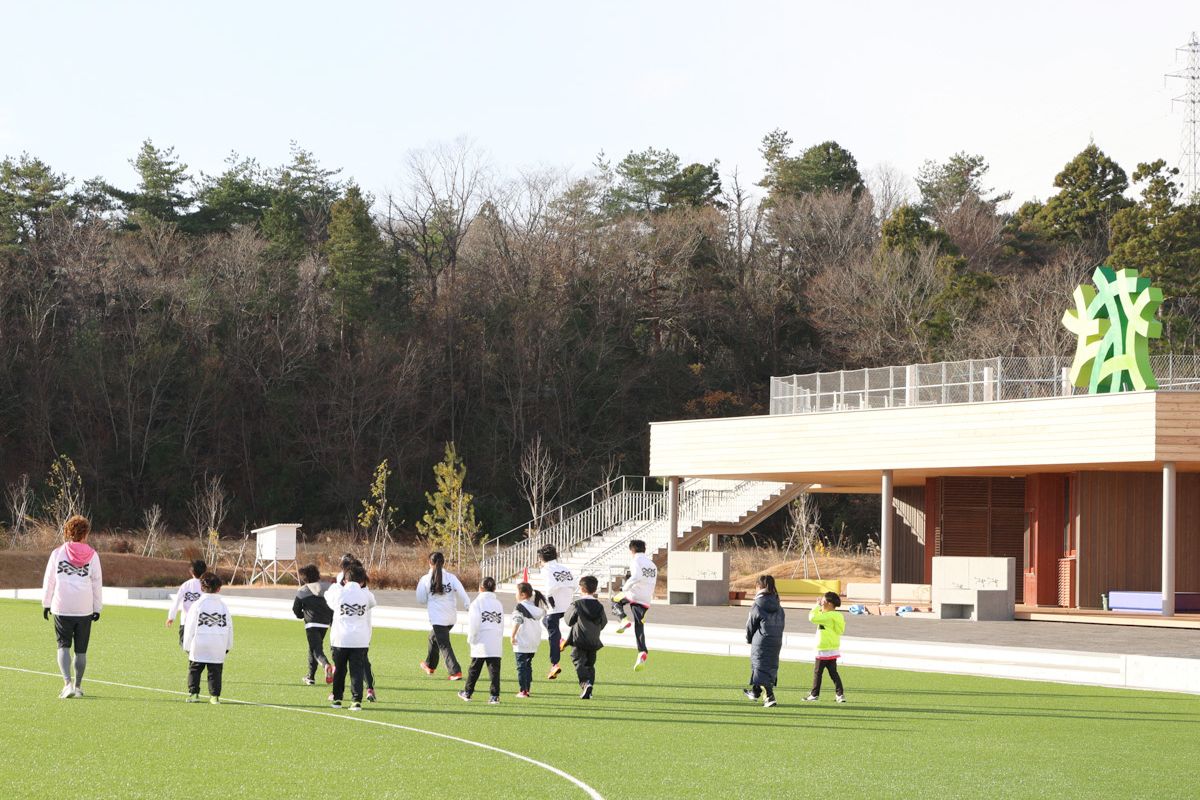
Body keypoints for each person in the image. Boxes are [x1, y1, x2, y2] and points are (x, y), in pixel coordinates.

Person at [41, 514, 103, 699]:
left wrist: (46, 603)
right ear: (86, 533)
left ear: (68, 532)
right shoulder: (93, 556)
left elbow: (49, 580)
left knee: (63, 646)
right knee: (81, 650)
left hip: (62, 606)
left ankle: (67, 684)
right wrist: (97, 607)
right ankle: (78, 686)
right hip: (84, 608)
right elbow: (96, 583)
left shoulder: (57, 553)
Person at [325, 562, 376, 711]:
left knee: (340, 670)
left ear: (345, 580)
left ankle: (337, 699)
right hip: (359, 640)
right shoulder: (366, 594)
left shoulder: (338, 592)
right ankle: (356, 701)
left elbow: (328, 597)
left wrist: (338, 585)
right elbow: (372, 603)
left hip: (340, 638)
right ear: (362, 581)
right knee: (357, 671)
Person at [415, 551, 471, 681]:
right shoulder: (451, 577)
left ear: (430, 563)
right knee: (433, 638)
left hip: (438, 618)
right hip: (451, 617)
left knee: (444, 644)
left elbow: (421, 600)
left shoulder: (425, 579)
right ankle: (430, 665)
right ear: (444, 562)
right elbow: (462, 593)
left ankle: (455, 671)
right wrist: (468, 606)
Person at [183, 571, 233, 704]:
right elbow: (229, 627)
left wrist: (187, 645)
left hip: (200, 643)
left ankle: (194, 694)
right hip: (218, 644)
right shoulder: (223, 606)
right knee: (215, 671)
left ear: (201, 587)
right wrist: (228, 645)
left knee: (195, 669)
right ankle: (214, 696)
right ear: (219, 588)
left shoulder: (197, 605)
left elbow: (190, 626)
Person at [611, 539, 656, 671]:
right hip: (646, 598)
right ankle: (642, 651)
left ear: (632, 550)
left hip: (634, 594)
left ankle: (623, 620)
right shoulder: (652, 564)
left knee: (615, 600)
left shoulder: (635, 561)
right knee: (639, 624)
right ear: (644, 549)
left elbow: (636, 576)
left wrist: (624, 587)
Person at [458, 577, 504, 704]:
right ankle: (494, 696)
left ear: (480, 588)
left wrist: (471, 638)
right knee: (494, 671)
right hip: (494, 640)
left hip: (480, 640)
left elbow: (474, 623)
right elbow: (501, 623)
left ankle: (468, 692)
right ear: (494, 588)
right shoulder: (498, 604)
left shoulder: (476, 603)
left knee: (474, 669)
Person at [744, 575, 785, 708]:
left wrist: (749, 638)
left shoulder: (757, 604)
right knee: (767, 666)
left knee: (760, 666)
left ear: (758, 587)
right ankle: (755, 692)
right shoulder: (778, 605)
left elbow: (751, 624)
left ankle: (769, 696)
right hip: (776, 639)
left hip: (761, 639)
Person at [565, 575, 607, 699]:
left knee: (578, 662)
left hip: (579, 639)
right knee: (590, 664)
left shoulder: (577, 604)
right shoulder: (599, 606)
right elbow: (603, 622)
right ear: (595, 589)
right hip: (594, 640)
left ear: (582, 588)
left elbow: (568, 620)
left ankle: (585, 684)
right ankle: (589, 690)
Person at [538, 544, 575, 680]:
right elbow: (574, 584)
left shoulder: (546, 569)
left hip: (554, 605)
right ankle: (561, 640)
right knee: (545, 621)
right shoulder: (564, 568)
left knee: (552, 633)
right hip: (568, 605)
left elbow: (549, 587)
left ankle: (555, 664)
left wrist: (550, 600)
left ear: (542, 558)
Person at [292, 564, 334, 686]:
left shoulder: (303, 590)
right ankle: (311, 677)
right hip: (325, 623)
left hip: (311, 624)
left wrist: (301, 615)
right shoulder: (328, 588)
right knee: (313, 648)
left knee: (316, 650)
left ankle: (326, 665)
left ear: (305, 578)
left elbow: (295, 609)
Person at [804, 591, 846, 703]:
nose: (822, 602)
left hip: (823, 649)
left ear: (828, 603)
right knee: (833, 673)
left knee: (818, 673)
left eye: (823, 601)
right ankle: (840, 694)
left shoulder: (827, 616)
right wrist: (821, 608)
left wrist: (817, 606)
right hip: (833, 649)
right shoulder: (838, 616)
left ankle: (814, 694)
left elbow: (812, 617)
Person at [510, 581, 547, 698]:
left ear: (523, 594)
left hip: (522, 641)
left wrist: (512, 636)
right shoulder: (535, 607)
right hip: (533, 641)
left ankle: (523, 690)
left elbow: (517, 621)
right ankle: (527, 689)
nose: (515, 595)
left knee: (521, 666)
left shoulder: (520, 607)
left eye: (516, 592)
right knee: (528, 665)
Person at [166, 559, 206, 649]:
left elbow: (176, 601)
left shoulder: (186, 585)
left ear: (191, 572)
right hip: (201, 622)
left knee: (185, 645)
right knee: (199, 646)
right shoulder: (206, 586)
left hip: (186, 621)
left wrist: (171, 617)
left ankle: (193, 659)